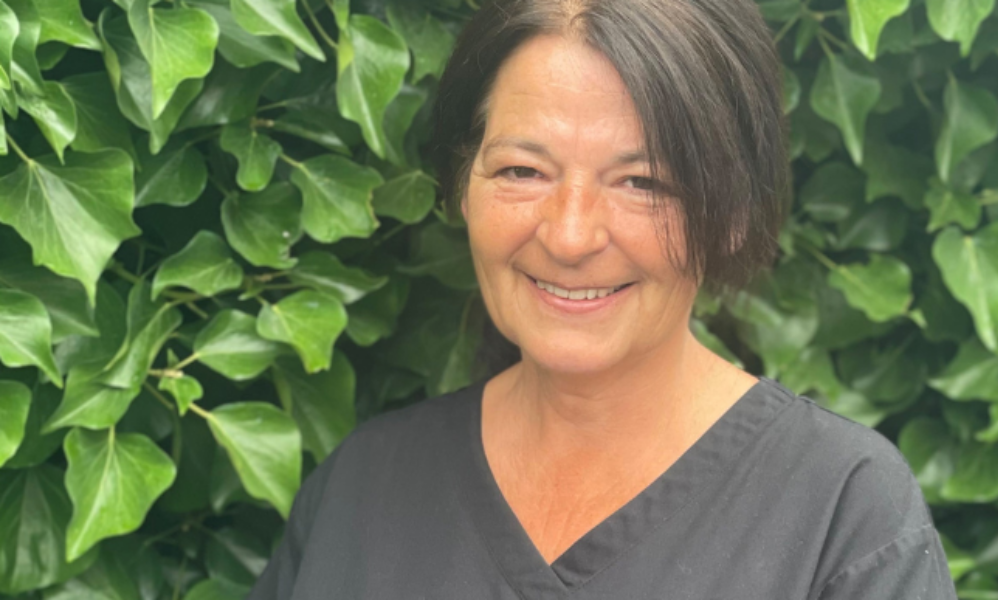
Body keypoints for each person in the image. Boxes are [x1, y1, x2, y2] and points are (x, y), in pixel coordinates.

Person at [247, 0, 955, 598]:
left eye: (643, 182)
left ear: (734, 211)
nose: (571, 234)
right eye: (523, 170)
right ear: (462, 185)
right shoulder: (361, 490)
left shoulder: (842, 512)